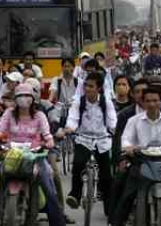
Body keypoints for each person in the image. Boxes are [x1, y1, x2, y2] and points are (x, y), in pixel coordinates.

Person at [0, 85, 65, 226]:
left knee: (48, 181)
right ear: (15, 99)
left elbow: (46, 133)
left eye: (27, 95)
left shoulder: (39, 115)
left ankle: (57, 221)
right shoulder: (9, 113)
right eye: (20, 96)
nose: (24, 99)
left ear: (33, 99)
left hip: (34, 156)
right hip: (10, 155)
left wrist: (49, 140)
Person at [112, 84, 161, 226]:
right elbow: (126, 139)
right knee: (126, 193)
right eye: (148, 101)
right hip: (140, 162)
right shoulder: (133, 121)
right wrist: (129, 147)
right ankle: (116, 222)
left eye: (155, 100)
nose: (152, 104)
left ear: (160, 101)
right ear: (143, 102)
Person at [60, 73, 116, 216]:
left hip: (102, 140)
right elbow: (73, 118)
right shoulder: (79, 102)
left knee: (106, 175)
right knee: (78, 164)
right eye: (86, 85)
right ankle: (75, 195)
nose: (87, 88)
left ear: (99, 88)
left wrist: (115, 129)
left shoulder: (106, 102)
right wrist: (69, 128)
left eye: (91, 86)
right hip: (83, 139)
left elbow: (112, 121)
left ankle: (109, 208)